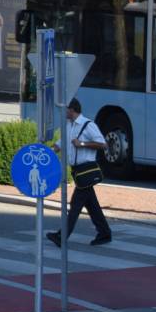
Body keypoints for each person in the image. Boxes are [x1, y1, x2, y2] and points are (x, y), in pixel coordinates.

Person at [47, 98, 112, 247]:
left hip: (86, 171)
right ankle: (104, 233)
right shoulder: (68, 125)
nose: (63, 112)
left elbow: (103, 144)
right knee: (92, 205)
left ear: (72, 109)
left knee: (75, 206)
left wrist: (82, 144)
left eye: (65, 109)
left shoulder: (88, 125)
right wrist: (47, 153)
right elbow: (60, 143)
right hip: (77, 172)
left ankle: (61, 237)